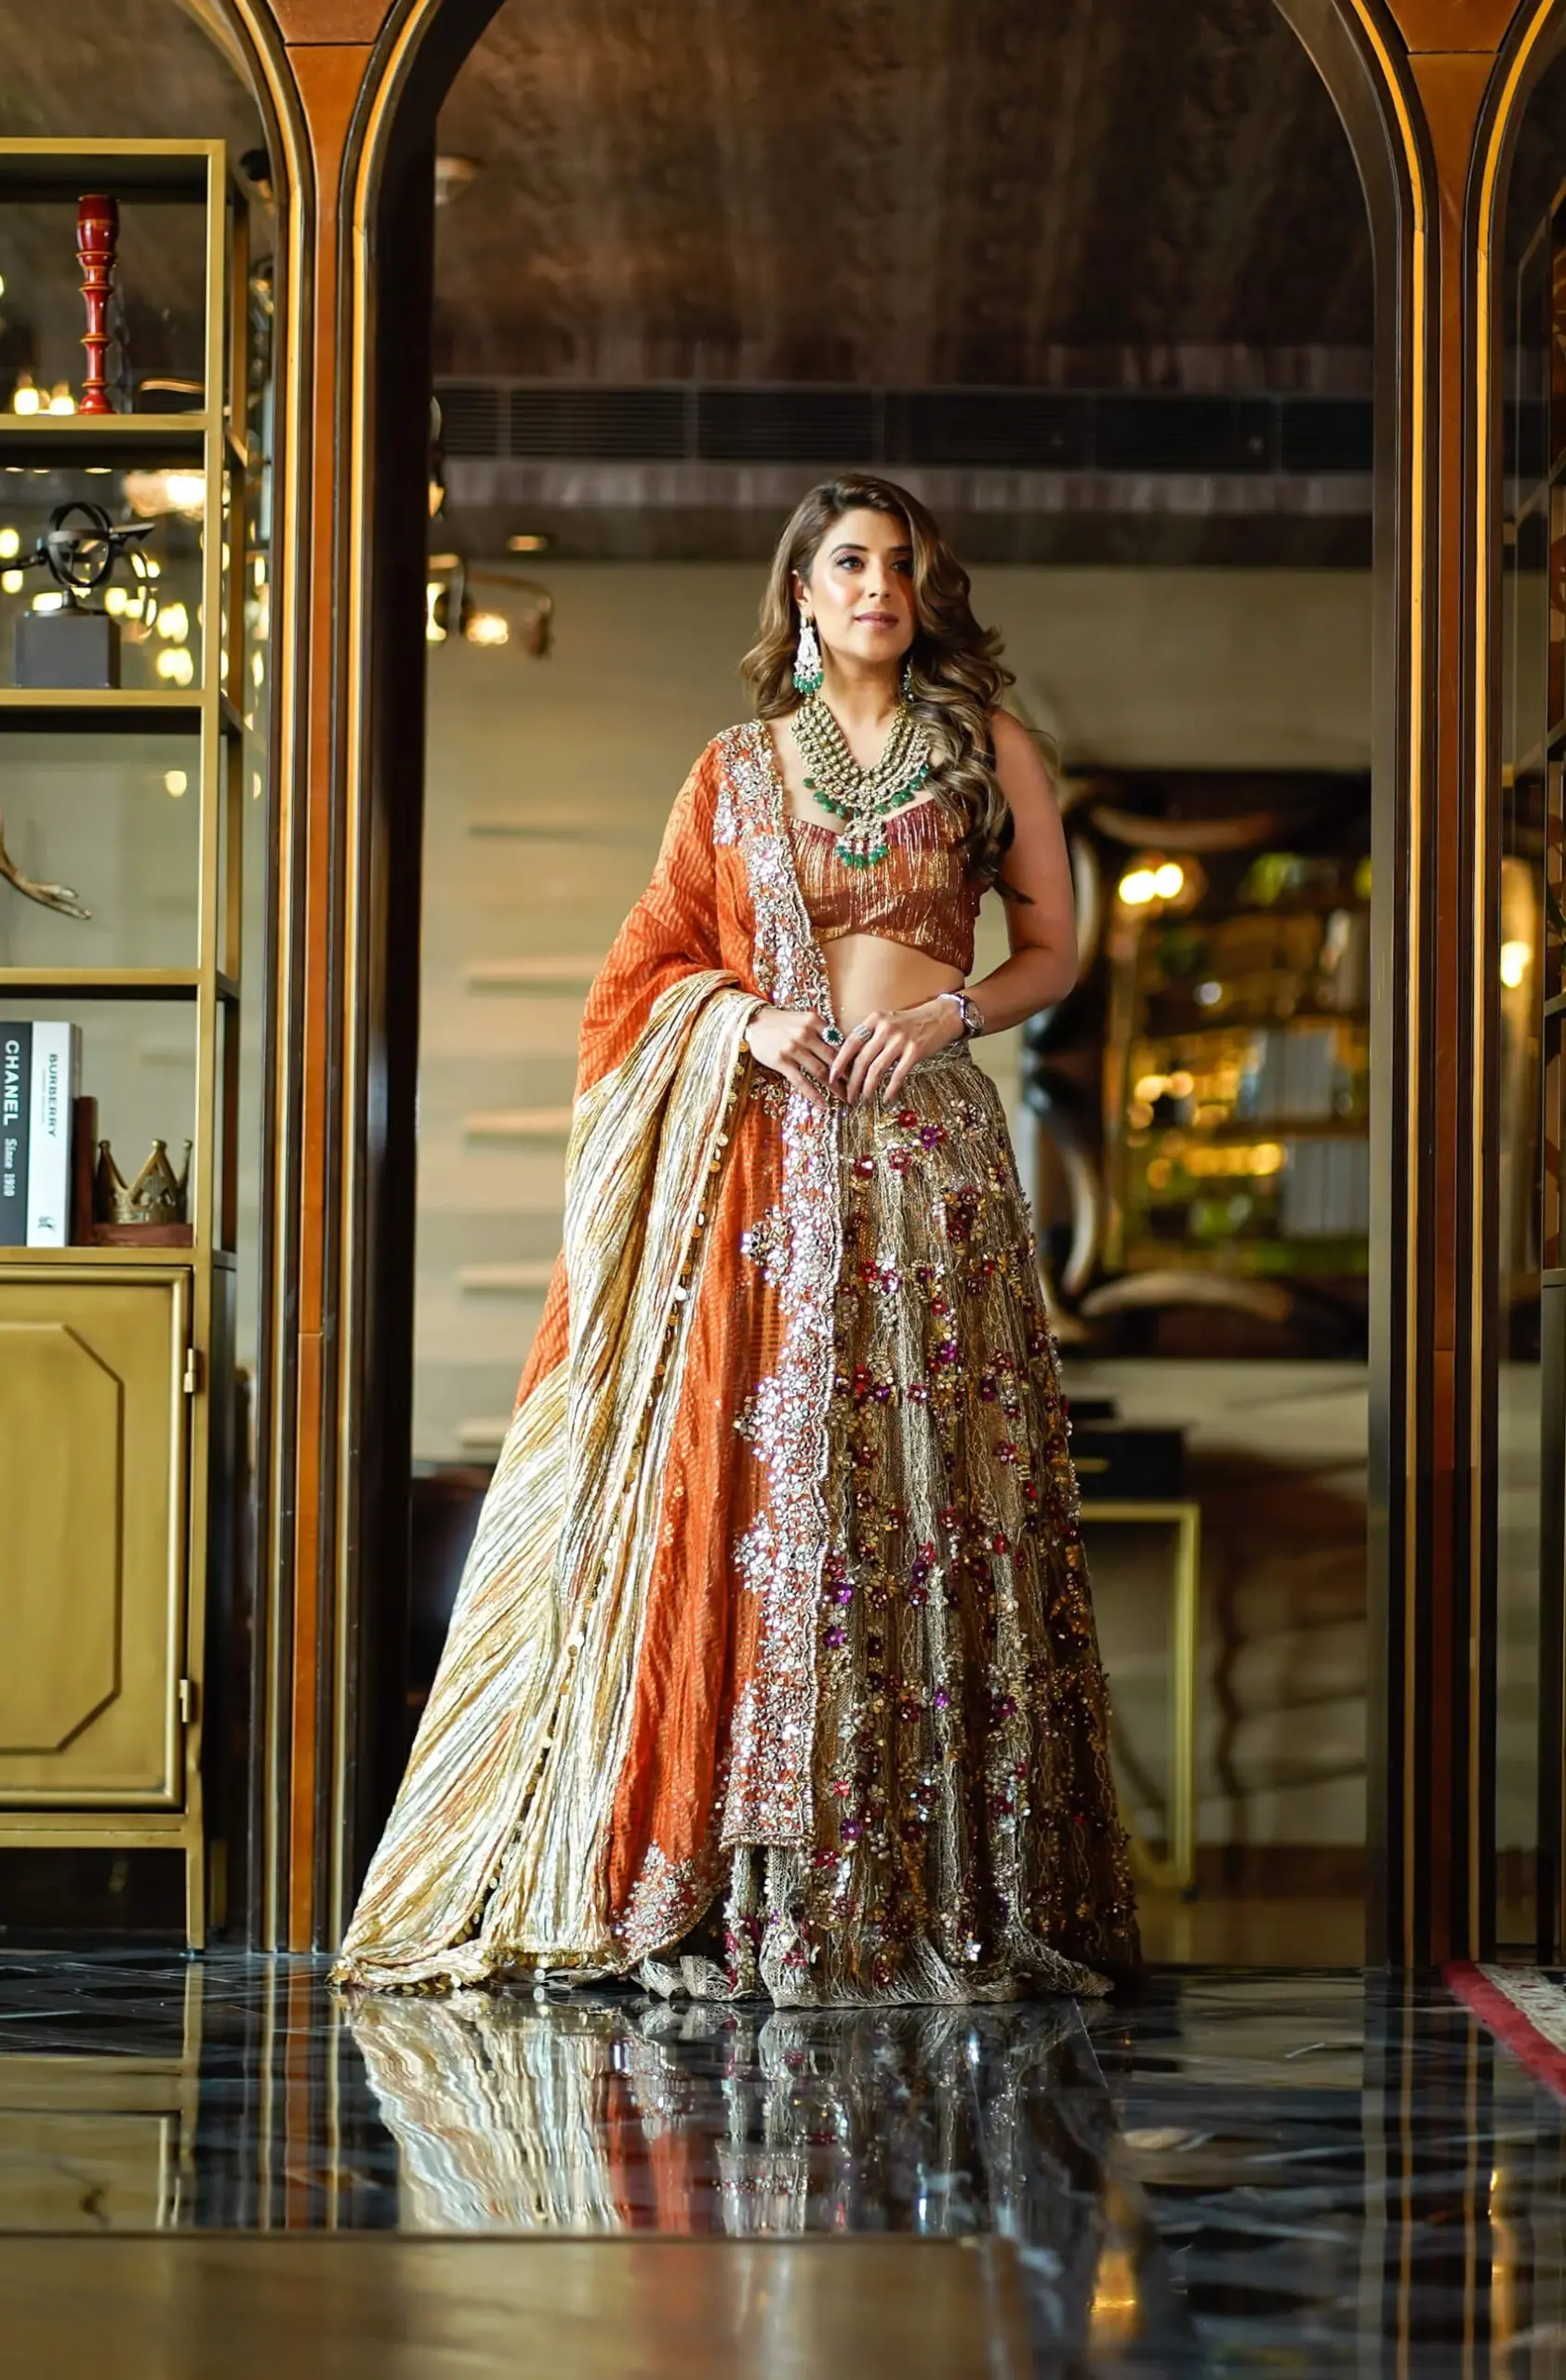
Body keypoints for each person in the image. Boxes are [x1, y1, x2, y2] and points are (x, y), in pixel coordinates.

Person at [334, 472, 1138, 2004]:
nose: (879, 586)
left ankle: (931, 1880)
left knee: (923, 1497)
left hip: (930, 1166)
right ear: (802, 593)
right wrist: (747, 1021)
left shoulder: (991, 749)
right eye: (851, 562)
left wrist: (950, 1018)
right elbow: (644, 971)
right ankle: (733, 1880)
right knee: (764, 1502)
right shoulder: (734, 769)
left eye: (902, 564)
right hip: (768, 1171)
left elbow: (1053, 948)